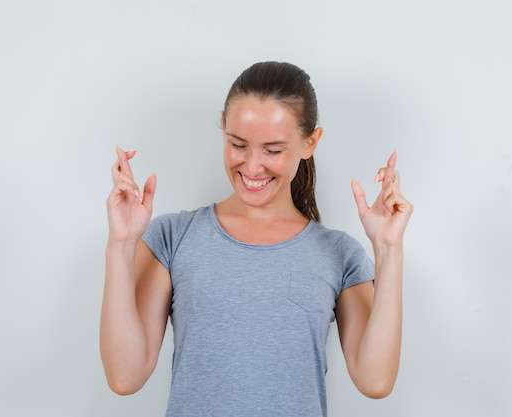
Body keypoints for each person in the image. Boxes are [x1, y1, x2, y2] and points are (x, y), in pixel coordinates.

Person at [100, 61, 413, 417]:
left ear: (310, 142)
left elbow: (375, 381)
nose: (251, 167)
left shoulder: (339, 254)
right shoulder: (173, 238)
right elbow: (124, 377)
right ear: (224, 129)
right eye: (238, 144)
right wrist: (121, 244)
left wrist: (388, 249)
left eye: (273, 150)